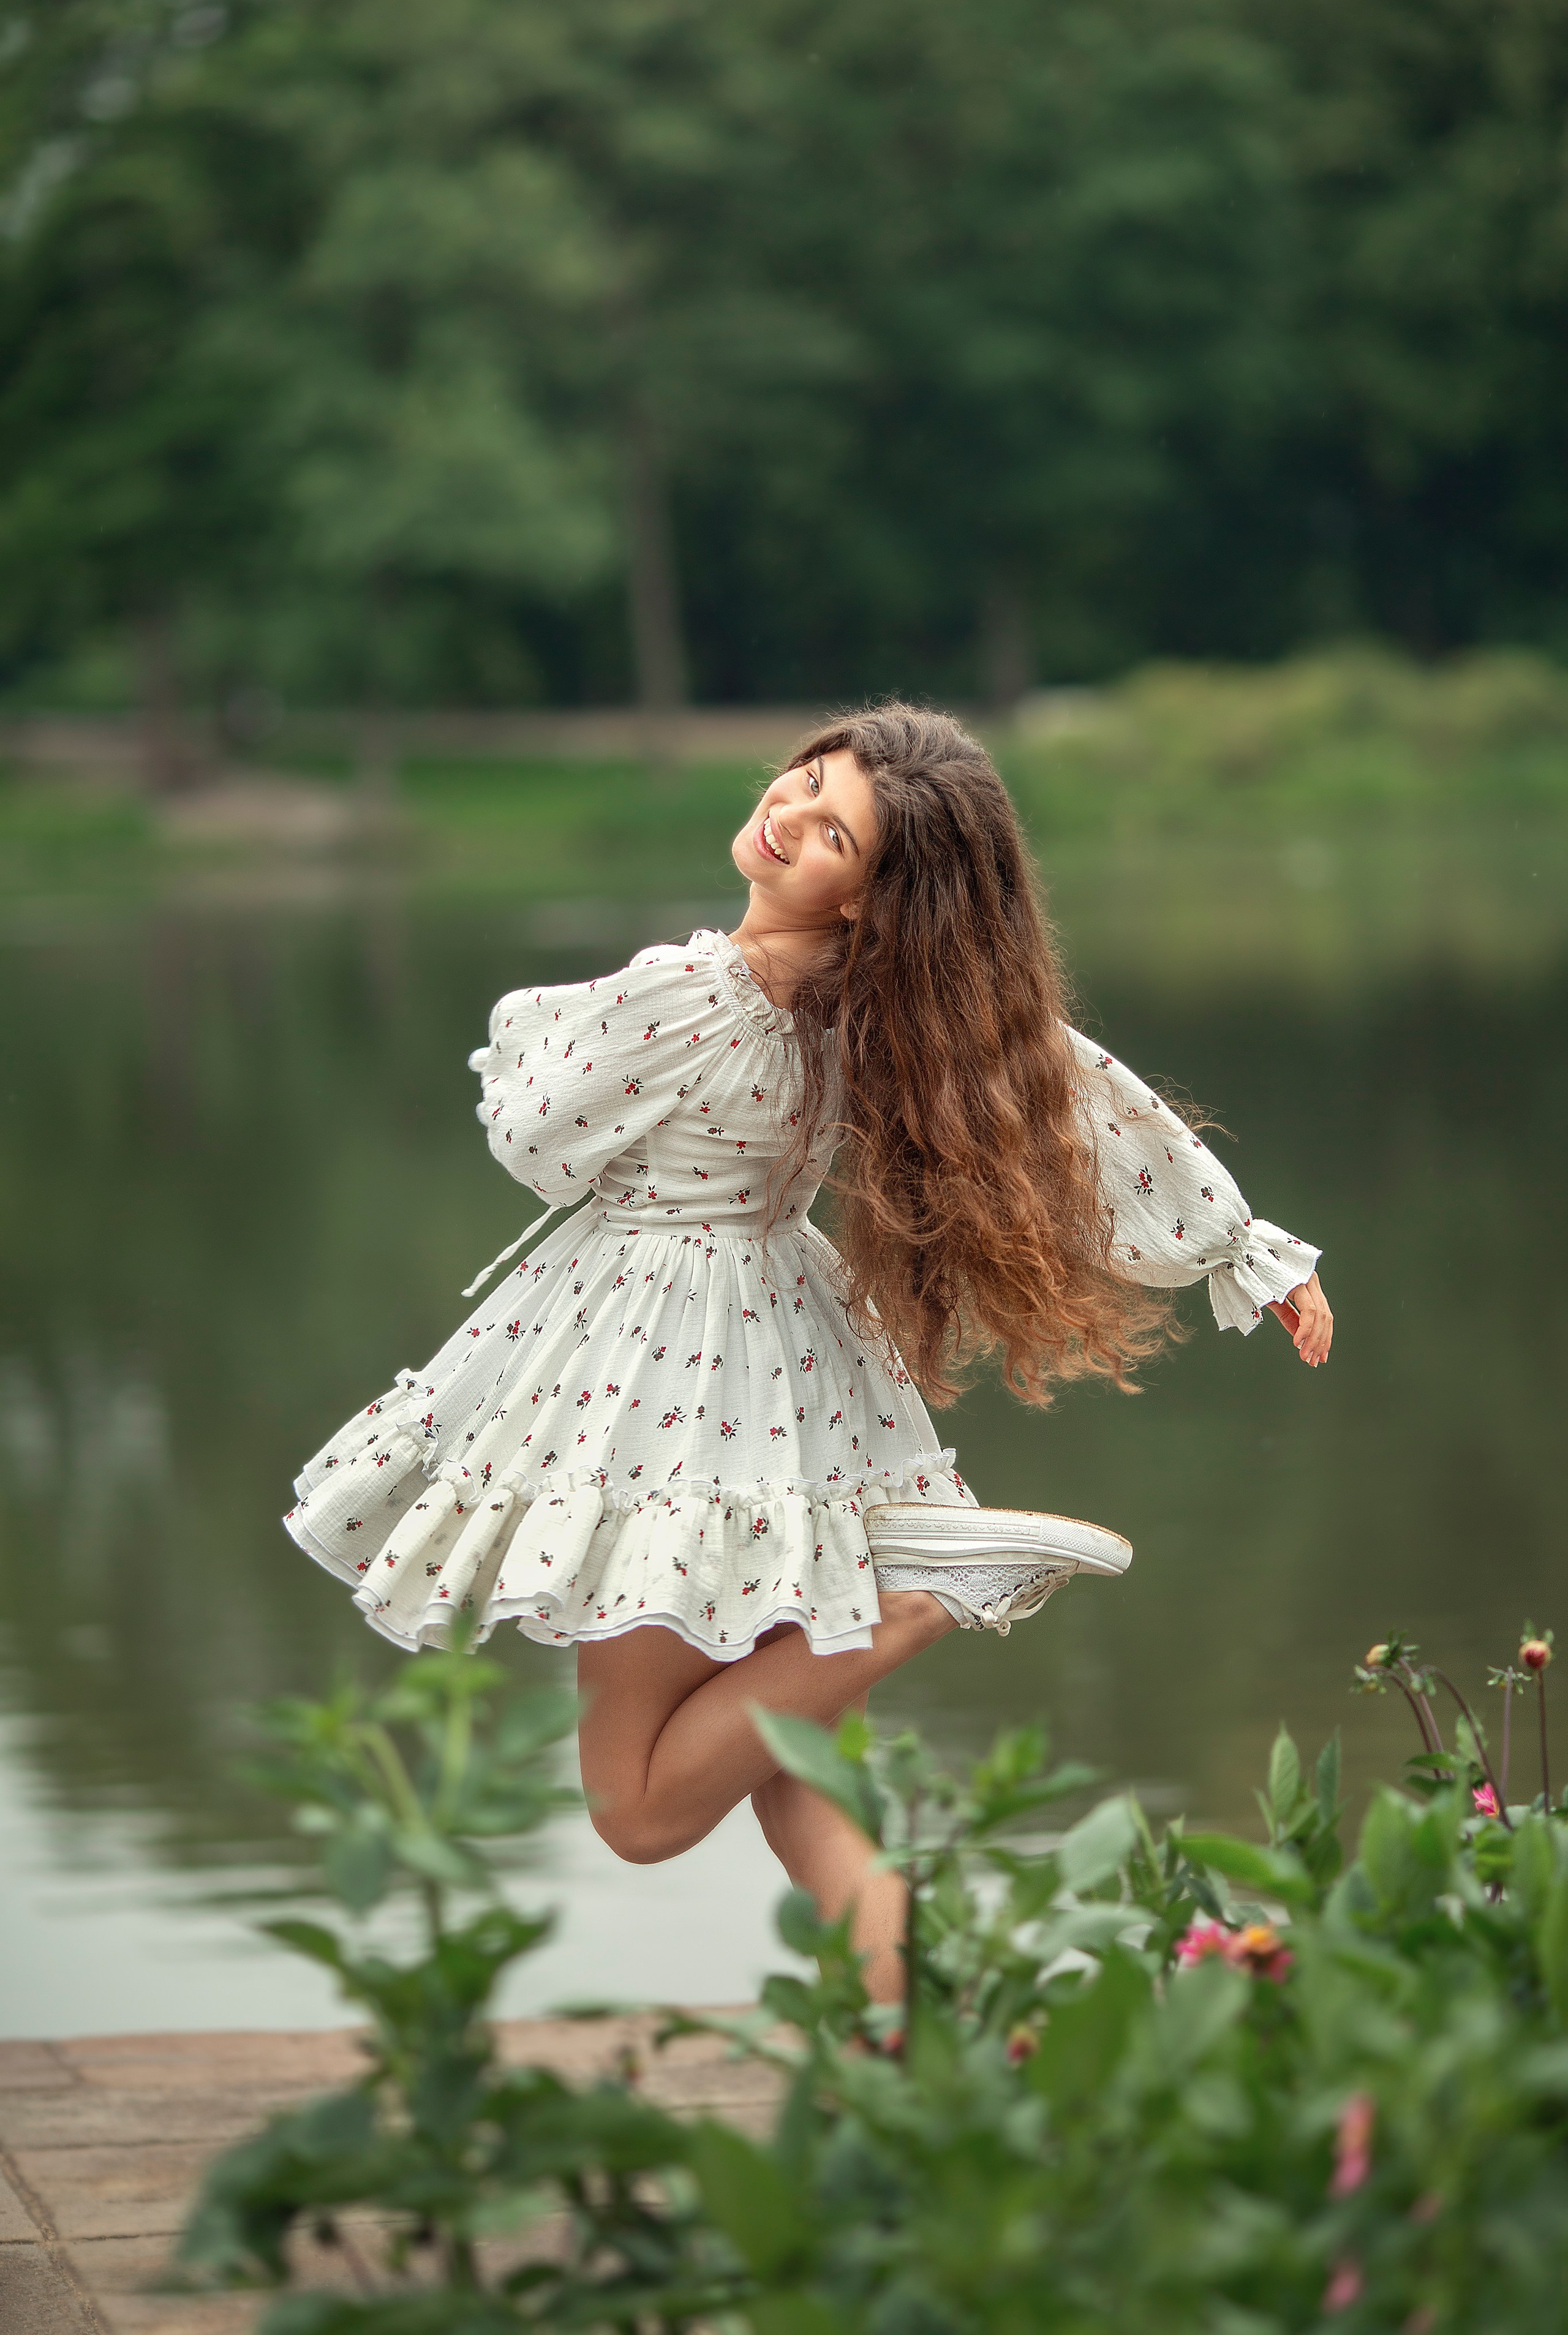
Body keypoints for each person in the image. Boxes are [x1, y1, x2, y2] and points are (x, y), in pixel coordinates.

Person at [286, 704, 1331, 1999]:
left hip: (651, 1370)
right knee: (799, 1787)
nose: (786, 817)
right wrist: (1239, 1247)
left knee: (638, 1809)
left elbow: (536, 1140)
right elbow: (1063, 1087)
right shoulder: (878, 1010)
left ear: (872, 900)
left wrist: (579, 1030)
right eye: (805, 782)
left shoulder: (694, 990)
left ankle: (906, 1606)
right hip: (780, 1367)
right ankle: (910, 2055)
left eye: (832, 831)